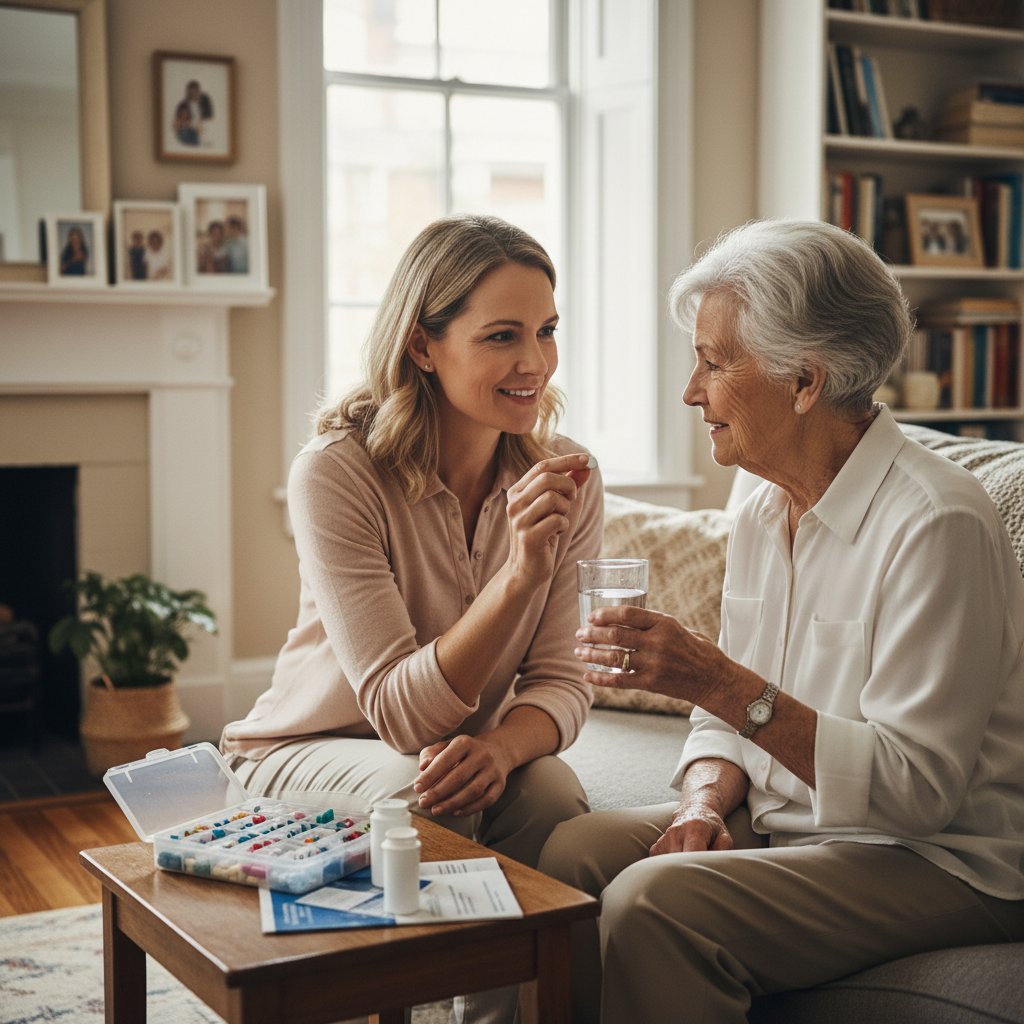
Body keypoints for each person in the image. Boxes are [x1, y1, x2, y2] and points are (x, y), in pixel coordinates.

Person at [539, 219, 1024, 1024]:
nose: (691, 392)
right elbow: (727, 723)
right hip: (792, 823)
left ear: (805, 382)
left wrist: (716, 678)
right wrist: (701, 802)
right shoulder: (768, 509)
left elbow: (916, 793)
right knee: (571, 855)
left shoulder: (937, 523)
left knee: (655, 902)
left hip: (939, 859)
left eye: (713, 363)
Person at [220, 214, 602, 1023]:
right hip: (308, 747)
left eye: (547, 331)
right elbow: (398, 713)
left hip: (449, 746)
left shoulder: (567, 477)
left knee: (551, 794)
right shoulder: (337, 471)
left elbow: (565, 680)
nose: (534, 362)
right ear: (423, 345)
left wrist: (502, 747)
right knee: (426, 787)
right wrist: (517, 574)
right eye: (501, 336)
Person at [173, 79, 213, 146]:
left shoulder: (205, 100)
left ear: (198, 91)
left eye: (195, 91)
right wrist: (188, 124)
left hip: (204, 125)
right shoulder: (183, 104)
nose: (193, 94)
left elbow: (210, 117)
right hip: (190, 128)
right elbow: (178, 120)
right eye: (191, 92)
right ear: (188, 92)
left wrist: (201, 123)